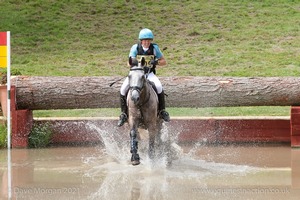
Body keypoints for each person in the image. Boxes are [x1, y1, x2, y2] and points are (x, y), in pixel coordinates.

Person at [117, 28, 170, 127]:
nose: (147, 42)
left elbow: (164, 61)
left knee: (159, 87)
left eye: (149, 40)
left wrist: (156, 62)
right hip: (136, 75)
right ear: (141, 41)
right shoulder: (135, 48)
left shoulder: (154, 48)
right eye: (145, 40)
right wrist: (135, 63)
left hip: (149, 74)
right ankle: (123, 114)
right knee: (123, 89)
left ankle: (162, 111)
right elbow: (128, 63)